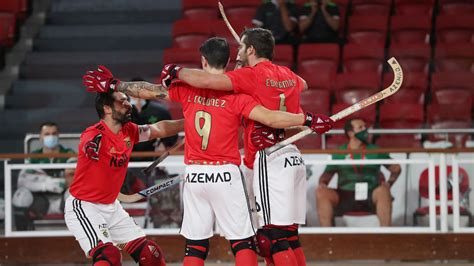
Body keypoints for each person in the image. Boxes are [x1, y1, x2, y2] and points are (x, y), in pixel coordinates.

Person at [83, 36, 330, 266]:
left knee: (195, 245)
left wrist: (116, 84)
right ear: (228, 61)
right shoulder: (237, 94)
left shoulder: (186, 88)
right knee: (243, 242)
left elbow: (149, 90)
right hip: (226, 174)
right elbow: (271, 117)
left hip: (195, 175)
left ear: (203, 60)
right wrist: (306, 119)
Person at [158, 28, 334, 266]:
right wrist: (273, 81)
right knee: (289, 235)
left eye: (242, 47)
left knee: (271, 238)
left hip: (266, 156)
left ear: (251, 50)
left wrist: (176, 70)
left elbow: (209, 80)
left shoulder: (246, 78)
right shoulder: (288, 75)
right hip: (292, 155)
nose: (238, 52)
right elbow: (303, 84)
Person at [64, 89, 184, 266]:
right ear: (107, 109)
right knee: (108, 256)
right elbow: (87, 143)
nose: (128, 104)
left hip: (112, 206)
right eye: (122, 101)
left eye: (127, 100)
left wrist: (192, 122)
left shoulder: (129, 131)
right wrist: (90, 148)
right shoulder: (93, 134)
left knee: (150, 254)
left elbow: (160, 128)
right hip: (84, 206)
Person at [315, 118, 402, 227]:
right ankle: (327, 238)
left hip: (371, 193)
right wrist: (322, 183)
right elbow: (326, 175)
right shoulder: (339, 152)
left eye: (365, 127)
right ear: (350, 133)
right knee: (321, 192)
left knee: (383, 191)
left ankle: (385, 237)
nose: (365, 130)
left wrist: (389, 184)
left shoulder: (376, 150)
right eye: (360, 128)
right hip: (345, 195)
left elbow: (396, 168)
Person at [12, 122, 75, 230]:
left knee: (76, 194)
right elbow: (23, 181)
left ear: (58, 135)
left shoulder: (69, 154)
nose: (51, 136)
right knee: (20, 196)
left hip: (63, 201)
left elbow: (73, 179)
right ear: (40, 137)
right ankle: (23, 238)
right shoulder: (33, 157)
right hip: (40, 201)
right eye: (47, 134)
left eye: (54, 133)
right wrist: (46, 184)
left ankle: (76, 236)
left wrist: (38, 178)